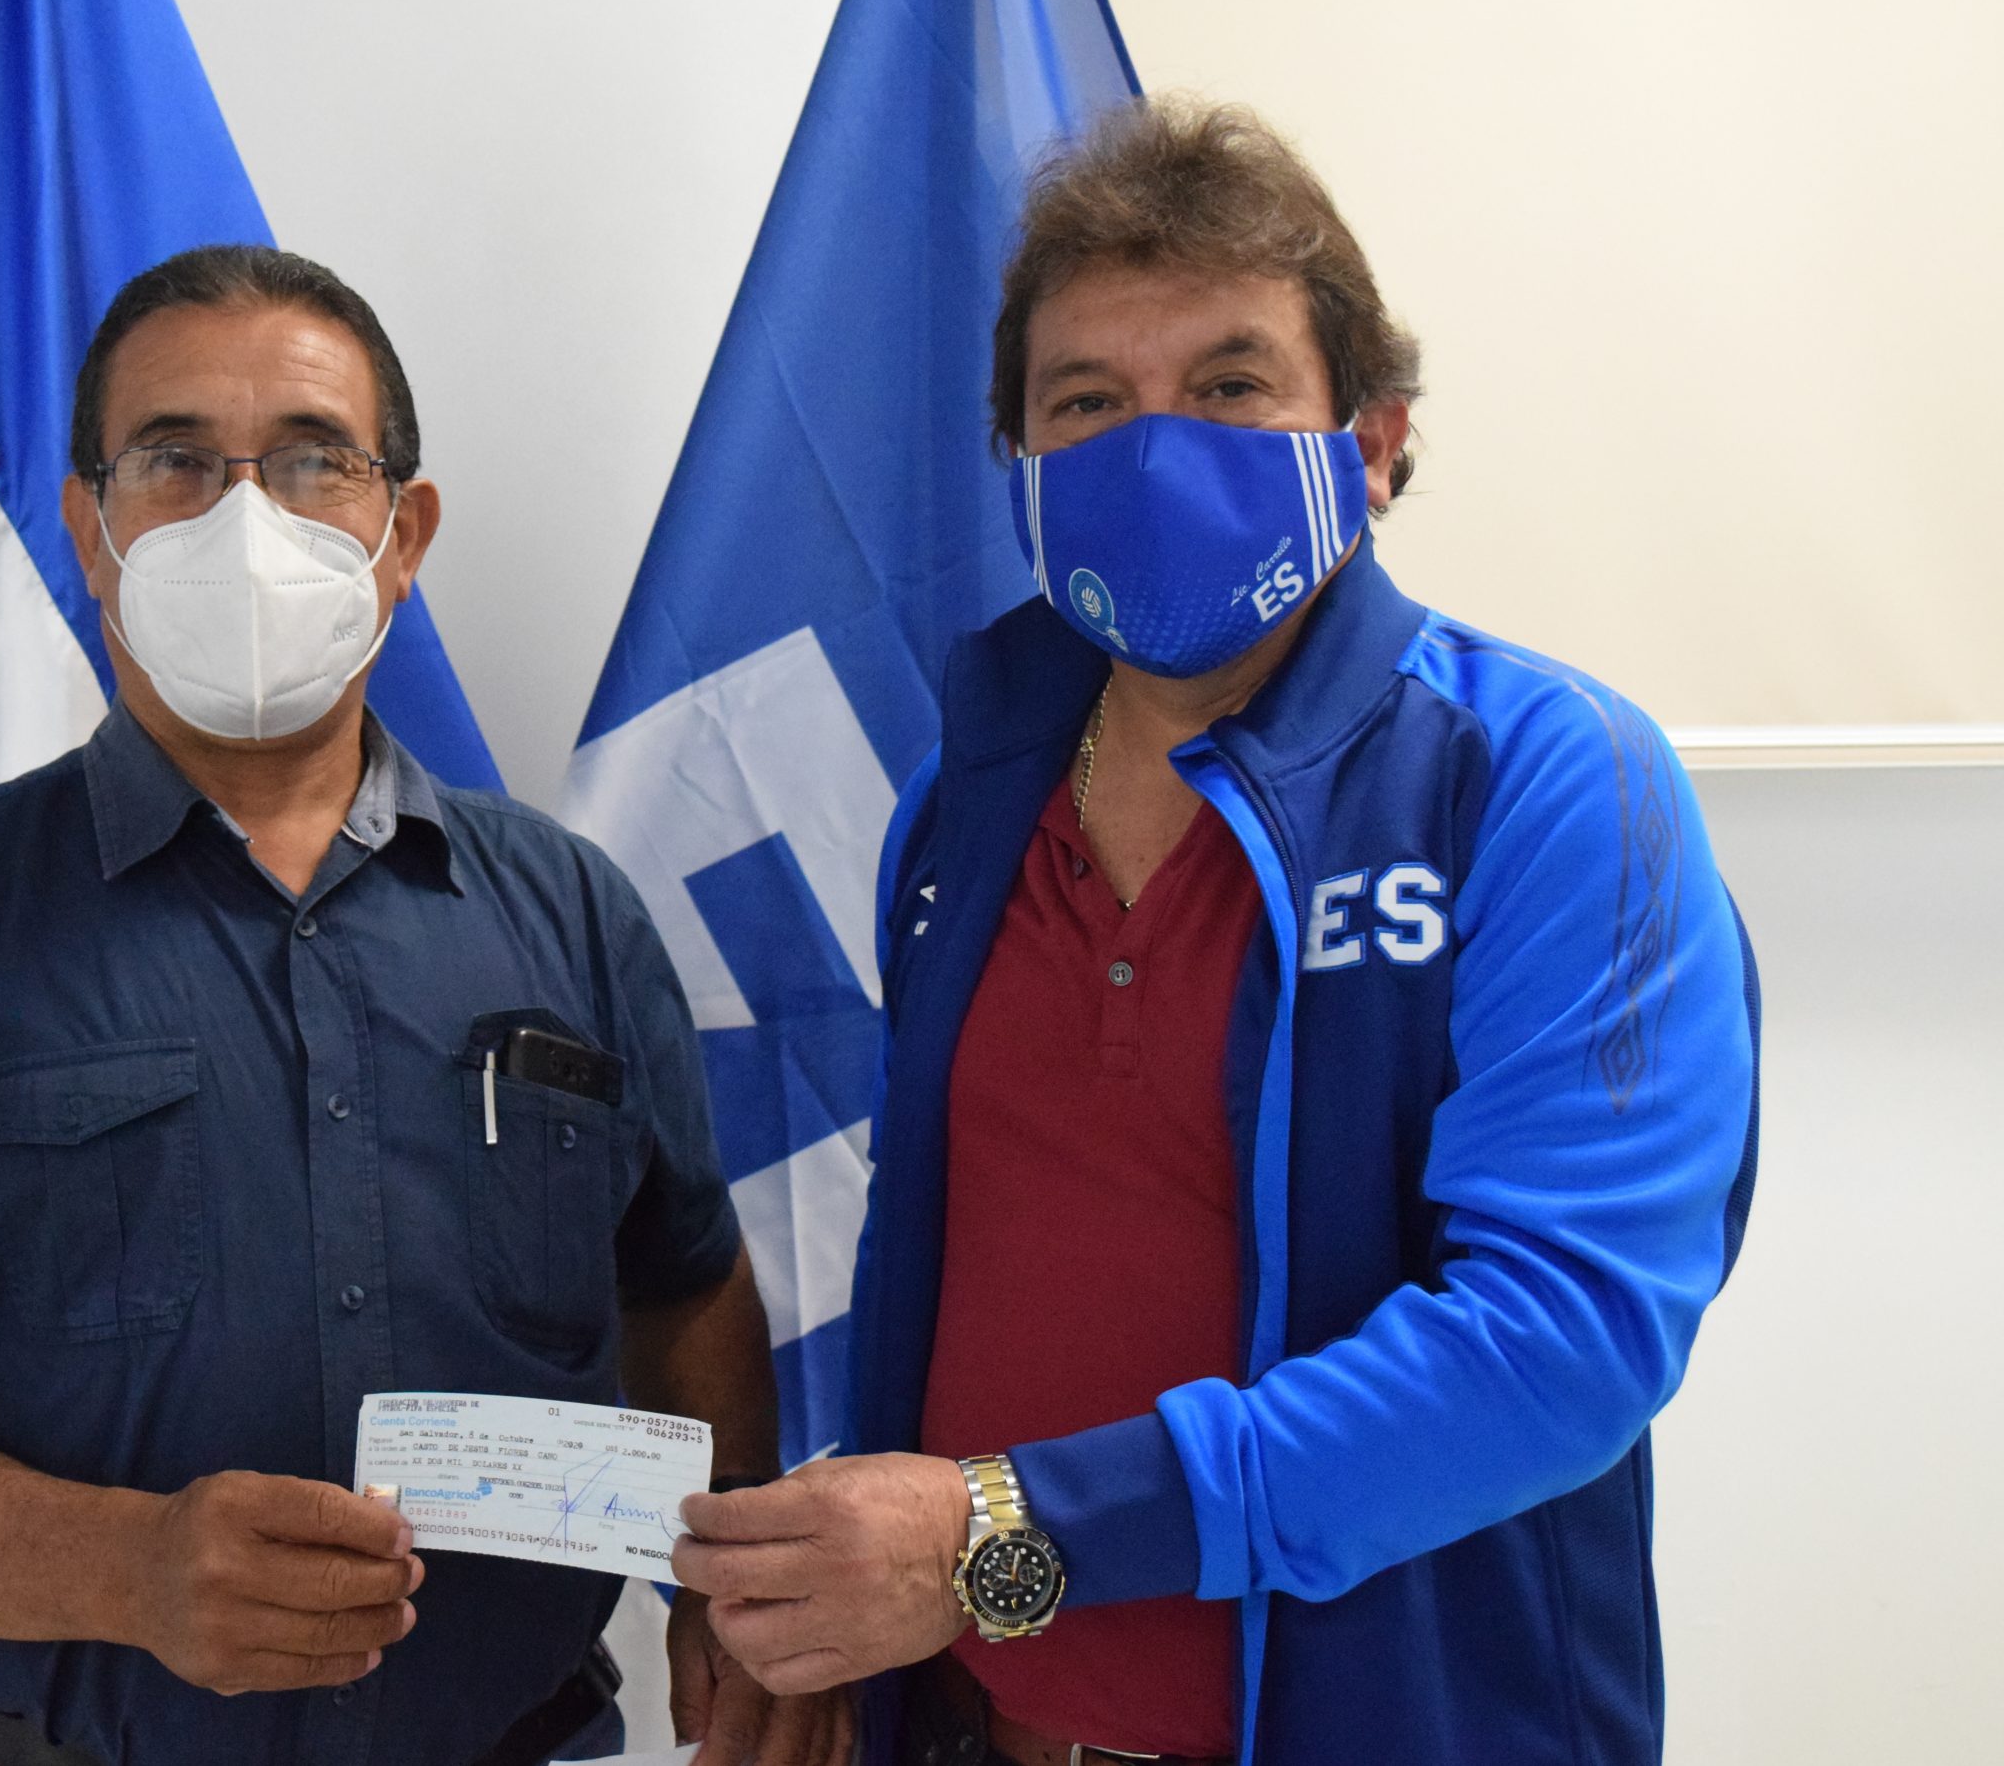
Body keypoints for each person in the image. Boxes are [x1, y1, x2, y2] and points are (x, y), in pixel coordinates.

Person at [672, 99, 1761, 1766]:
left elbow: (1562, 1341)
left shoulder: (1548, 780)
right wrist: (850, 1594)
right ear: (1025, 475)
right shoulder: (963, 808)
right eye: (1087, 404)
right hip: (975, 1725)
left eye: (1232, 385)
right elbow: (952, 1276)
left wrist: (994, 1535)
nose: (1154, 453)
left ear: (1373, 443)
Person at [0, 245, 846, 1766]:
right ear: (91, 533)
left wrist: (727, 1578)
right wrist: (127, 1569)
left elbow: (680, 1296)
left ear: (402, 533)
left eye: (311, 460)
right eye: (174, 460)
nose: (246, 518)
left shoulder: (575, 916)